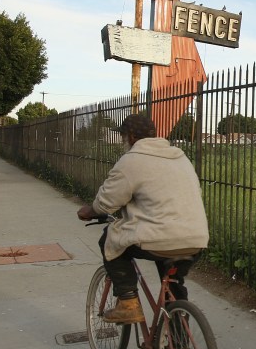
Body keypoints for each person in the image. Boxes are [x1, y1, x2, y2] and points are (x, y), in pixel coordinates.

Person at [77, 114, 209, 323]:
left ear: (129, 136)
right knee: (173, 285)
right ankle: (180, 342)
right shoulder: (179, 156)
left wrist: (89, 211)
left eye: (122, 139)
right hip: (196, 238)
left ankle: (128, 302)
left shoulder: (131, 160)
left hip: (159, 239)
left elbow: (106, 203)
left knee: (108, 240)